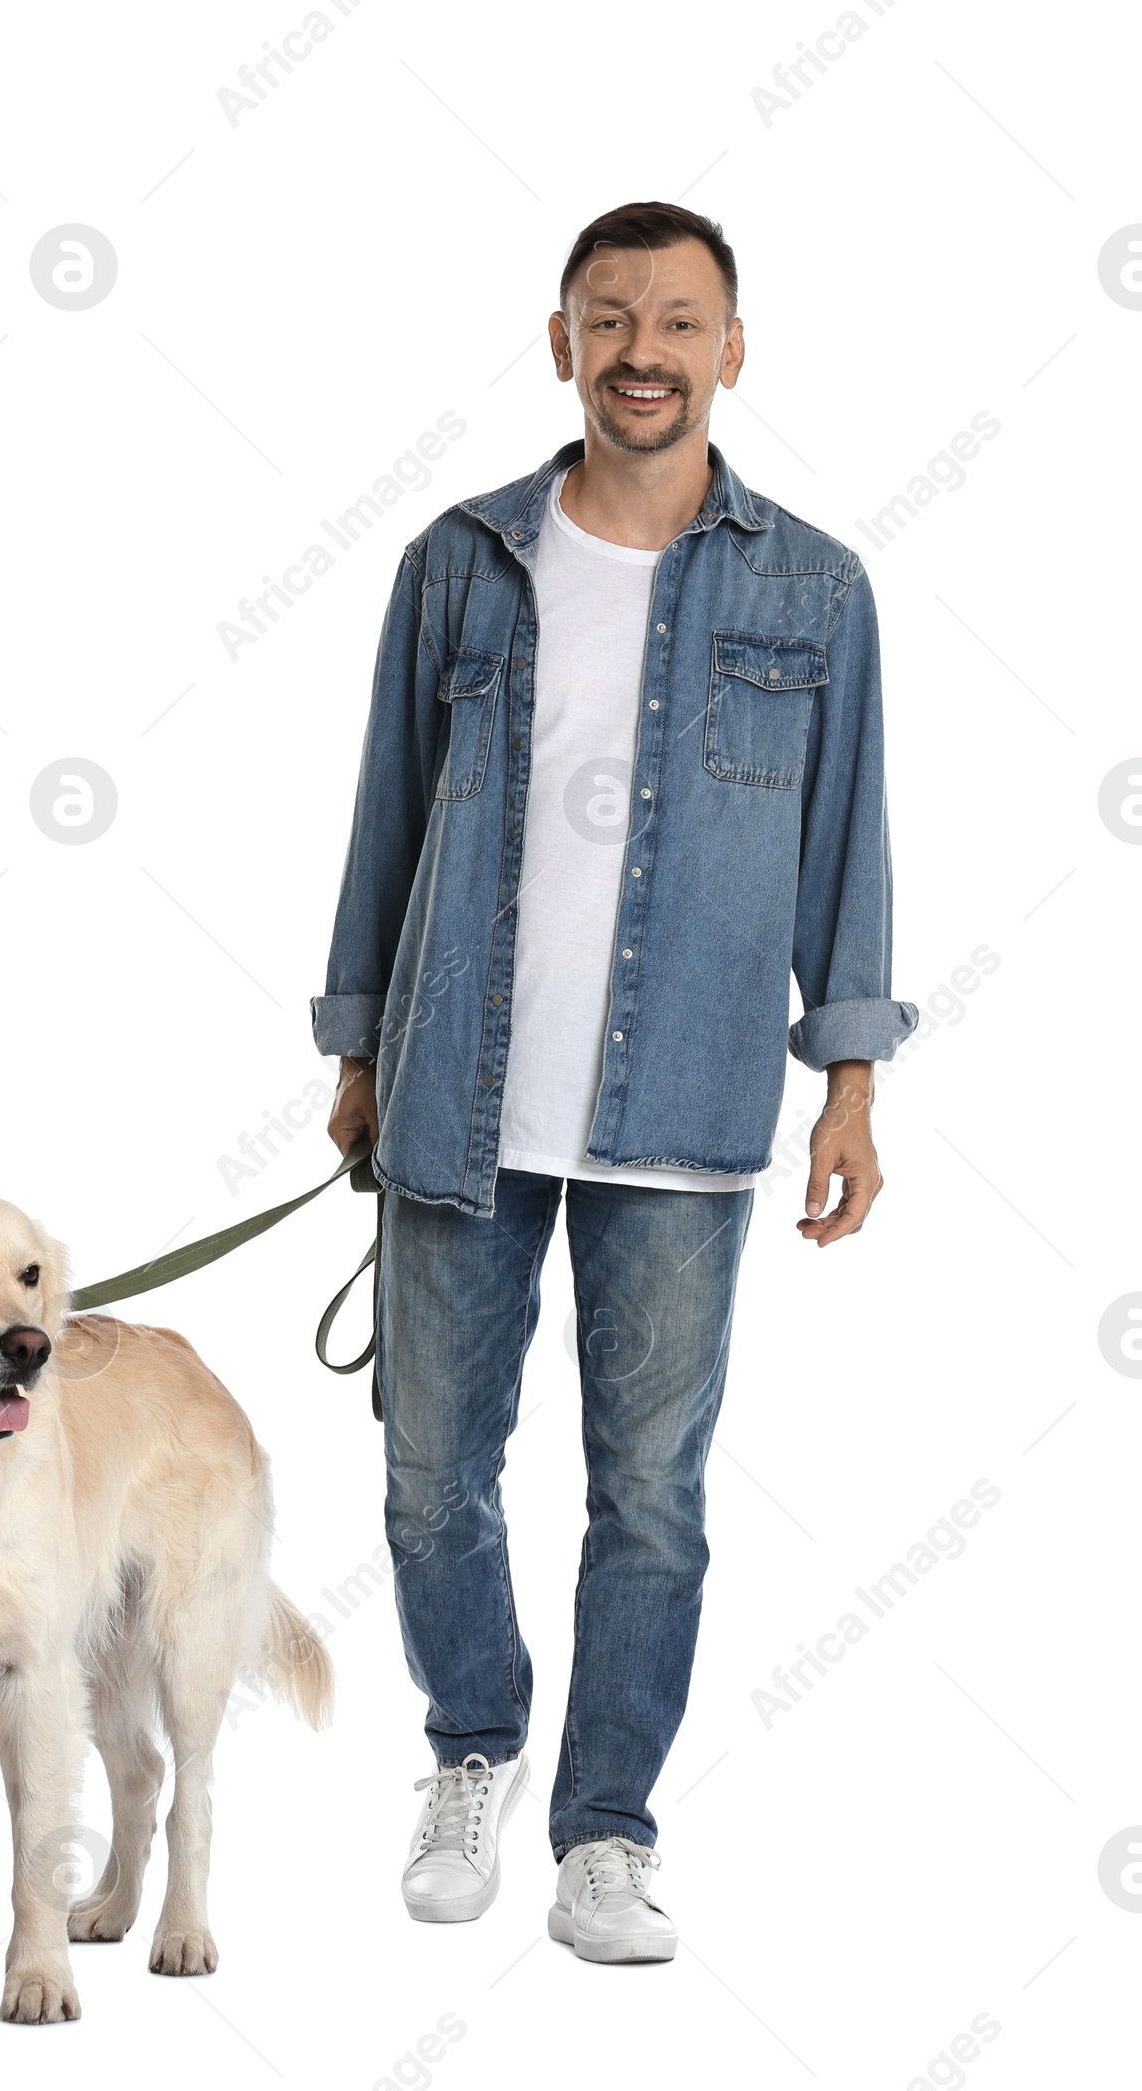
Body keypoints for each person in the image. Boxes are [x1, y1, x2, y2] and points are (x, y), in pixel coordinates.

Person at [312, 202, 918, 1964]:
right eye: (608, 318)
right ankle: (473, 1745)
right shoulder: (459, 559)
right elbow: (384, 812)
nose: (641, 348)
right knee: (429, 1469)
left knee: (649, 1491)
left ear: (734, 350)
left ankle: (607, 1826)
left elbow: (845, 843)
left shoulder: (815, 588)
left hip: (692, 1107)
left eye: (678, 320)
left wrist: (853, 1083)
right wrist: (358, 1043)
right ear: (561, 339)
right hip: (453, 1100)